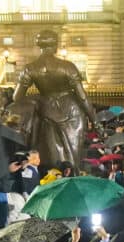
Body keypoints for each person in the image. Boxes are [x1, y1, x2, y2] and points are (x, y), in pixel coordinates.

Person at [12, 29, 100, 169]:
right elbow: (82, 97)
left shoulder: (30, 69)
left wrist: (36, 99)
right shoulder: (68, 66)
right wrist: (96, 122)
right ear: (56, 46)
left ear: (39, 46)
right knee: (73, 156)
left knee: (50, 154)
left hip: (46, 111)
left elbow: (17, 97)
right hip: (71, 112)